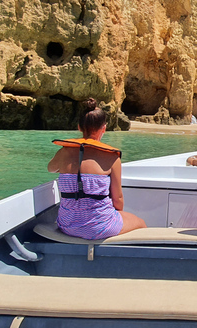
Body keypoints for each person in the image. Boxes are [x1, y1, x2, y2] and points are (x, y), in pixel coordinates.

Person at [47, 98, 146, 239]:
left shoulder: (64, 152)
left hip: (66, 225)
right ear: (104, 128)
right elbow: (117, 199)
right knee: (141, 224)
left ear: (79, 127)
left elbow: (51, 168)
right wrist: (114, 216)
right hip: (101, 227)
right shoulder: (112, 157)